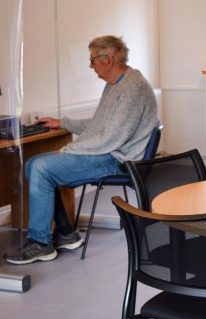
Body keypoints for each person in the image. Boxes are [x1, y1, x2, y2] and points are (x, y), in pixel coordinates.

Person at [5, 35, 159, 265]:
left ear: (108, 58)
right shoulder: (116, 84)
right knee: (32, 165)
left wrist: (69, 150)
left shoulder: (132, 88)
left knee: (42, 167)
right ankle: (66, 233)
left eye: (93, 60)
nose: (90, 66)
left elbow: (110, 138)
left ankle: (40, 243)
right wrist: (63, 122)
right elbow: (99, 125)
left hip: (118, 160)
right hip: (108, 152)